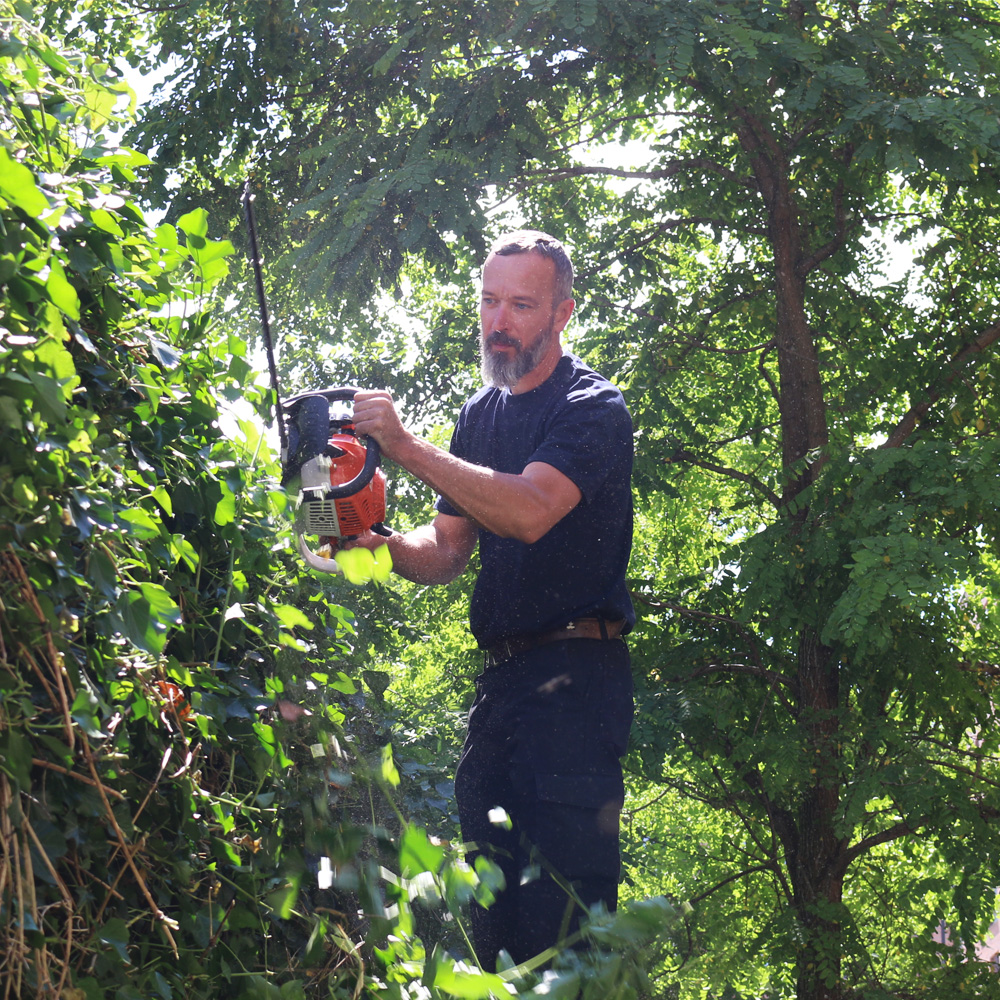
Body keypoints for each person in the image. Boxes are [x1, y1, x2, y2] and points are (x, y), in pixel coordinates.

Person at [349, 229, 635, 969]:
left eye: (520, 304)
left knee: (565, 931)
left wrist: (405, 447)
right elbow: (446, 552)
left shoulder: (592, 407)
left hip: (576, 686)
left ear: (562, 313)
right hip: (500, 690)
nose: (498, 320)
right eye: (488, 301)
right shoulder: (480, 416)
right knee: (493, 926)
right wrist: (369, 542)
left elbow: (531, 510)